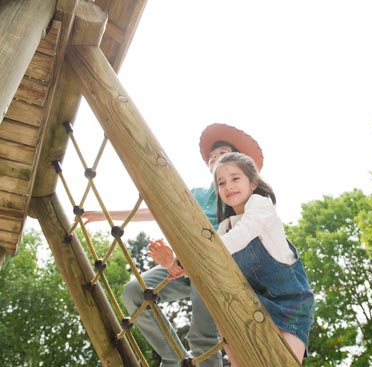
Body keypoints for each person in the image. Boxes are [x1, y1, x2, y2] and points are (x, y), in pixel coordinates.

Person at [83, 123, 264, 367]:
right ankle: (172, 356)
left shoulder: (240, 196)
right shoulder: (196, 194)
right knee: (134, 292)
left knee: (202, 336)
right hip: (181, 265)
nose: (215, 159)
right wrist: (104, 215)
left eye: (222, 154)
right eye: (212, 157)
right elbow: (156, 209)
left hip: (215, 269)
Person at [150, 152, 315, 366]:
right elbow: (207, 265)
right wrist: (173, 264)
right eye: (221, 183)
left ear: (253, 183)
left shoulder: (261, 206)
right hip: (252, 302)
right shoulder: (225, 227)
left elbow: (240, 237)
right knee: (232, 335)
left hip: (291, 303)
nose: (228, 186)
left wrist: (184, 261)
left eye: (235, 178)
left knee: (283, 362)